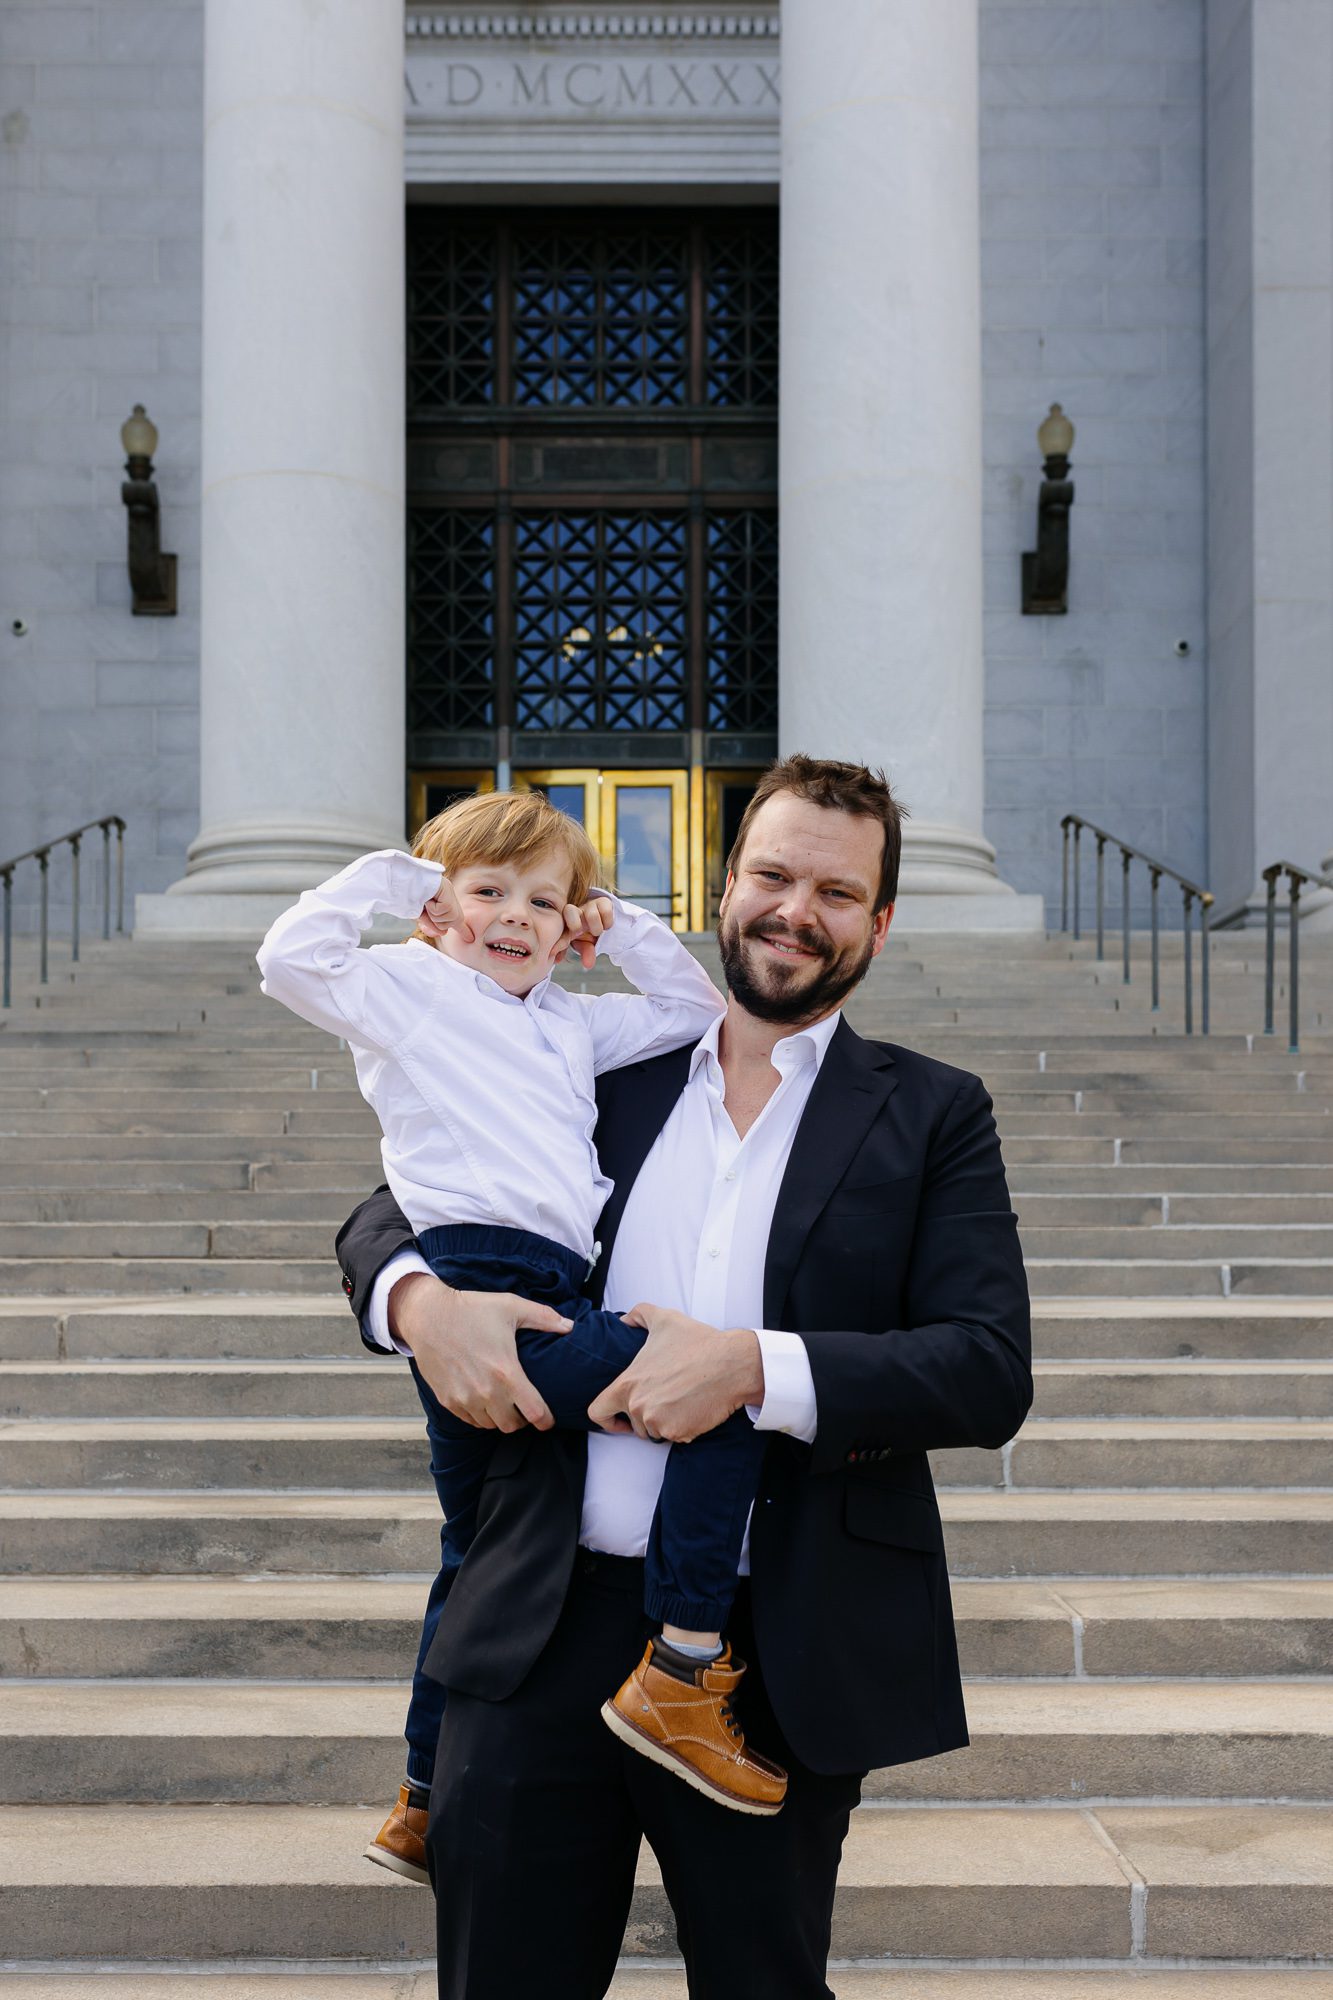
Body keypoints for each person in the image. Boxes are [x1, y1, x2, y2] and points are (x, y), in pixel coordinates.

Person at [337, 755, 1033, 2000]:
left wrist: (751, 1367)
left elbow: (985, 1368)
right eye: (772, 873)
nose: (793, 909)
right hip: (535, 1623)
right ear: (725, 886)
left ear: (878, 921)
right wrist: (416, 1302)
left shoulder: (933, 1112)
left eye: (835, 888)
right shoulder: (589, 1049)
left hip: (767, 1651)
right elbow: (396, 1206)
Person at [256, 791, 792, 1882]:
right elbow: (289, 958)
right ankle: (683, 1668)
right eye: (488, 891)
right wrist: (406, 881)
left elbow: (694, 1009)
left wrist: (615, 919)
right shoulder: (410, 987)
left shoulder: (566, 1019)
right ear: (439, 909)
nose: (515, 913)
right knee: (720, 1392)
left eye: (542, 900)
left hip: (553, 1282)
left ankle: (419, 1793)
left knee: (476, 1547)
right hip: (478, 1281)